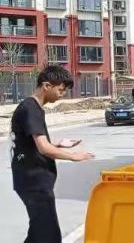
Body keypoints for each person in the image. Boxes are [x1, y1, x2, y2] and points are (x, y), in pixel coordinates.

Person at [10, 65, 94, 243]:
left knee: (39, 233)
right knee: (49, 236)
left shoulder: (32, 108)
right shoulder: (30, 108)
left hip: (32, 181)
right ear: (47, 86)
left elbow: (31, 143)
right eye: (61, 90)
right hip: (33, 182)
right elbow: (43, 148)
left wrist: (58, 144)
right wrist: (74, 156)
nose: (62, 94)